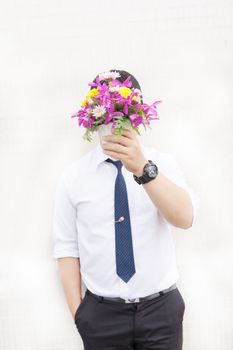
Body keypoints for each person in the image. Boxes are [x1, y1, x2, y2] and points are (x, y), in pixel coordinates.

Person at [52, 69, 199, 350]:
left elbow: (185, 218)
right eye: (106, 112)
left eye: (122, 110)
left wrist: (144, 170)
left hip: (161, 311)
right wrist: (80, 316)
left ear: (138, 114)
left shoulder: (162, 164)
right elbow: (67, 249)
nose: (114, 122)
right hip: (101, 316)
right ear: (92, 118)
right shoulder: (73, 177)